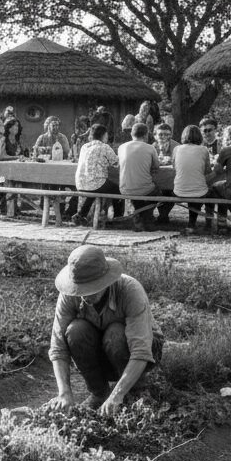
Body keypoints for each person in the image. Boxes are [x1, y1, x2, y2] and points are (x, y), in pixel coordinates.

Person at [46, 245, 164, 415]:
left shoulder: (130, 290)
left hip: (141, 350)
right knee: (75, 331)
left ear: (107, 281)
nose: (85, 295)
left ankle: (134, 392)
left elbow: (141, 350)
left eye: (92, 288)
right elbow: (58, 347)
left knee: (115, 333)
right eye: (82, 290)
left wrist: (117, 395)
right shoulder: (70, 294)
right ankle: (99, 393)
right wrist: (64, 393)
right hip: (101, 348)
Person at [72, 124, 125, 226]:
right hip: (96, 183)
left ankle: (81, 214)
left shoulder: (84, 147)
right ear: (104, 135)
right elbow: (116, 163)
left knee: (94, 188)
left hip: (80, 183)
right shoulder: (104, 147)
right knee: (119, 191)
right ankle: (118, 218)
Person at [118, 123, 161, 231]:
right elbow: (156, 166)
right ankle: (146, 217)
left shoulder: (121, 147)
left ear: (131, 134)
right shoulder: (150, 148)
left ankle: (139, 216)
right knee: (158, 191)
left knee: (140, 189)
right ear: (146, 135)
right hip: (143, 188)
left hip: (124, 188)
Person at [172, 125, 214, 234]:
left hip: (178, 190)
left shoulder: (176, 149)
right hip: (198, 191)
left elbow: (174, 167)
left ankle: (191, 225)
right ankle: (208, 223)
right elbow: (208, 170)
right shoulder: (204, 150)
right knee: (211, 191)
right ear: (199, 136)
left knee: (193, 188)